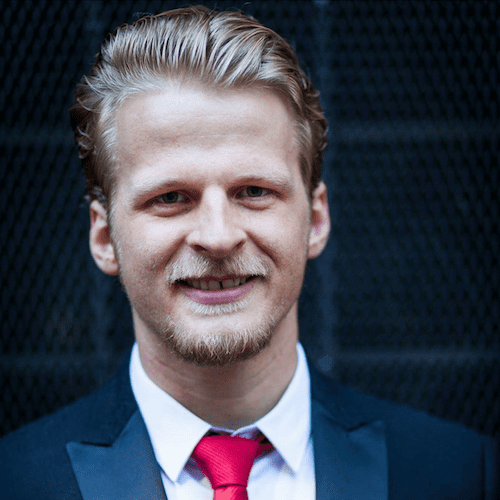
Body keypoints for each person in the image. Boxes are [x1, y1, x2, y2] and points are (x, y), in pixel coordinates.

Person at [0, 5, 497, 499]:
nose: (218, 237)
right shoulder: (15, 481)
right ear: (104, 238)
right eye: (170, 197)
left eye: (254, 191)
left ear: (316, 219)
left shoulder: (461, 475)